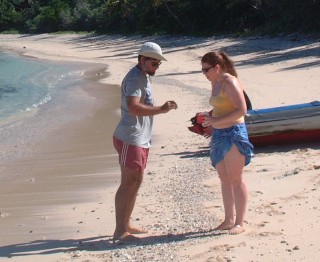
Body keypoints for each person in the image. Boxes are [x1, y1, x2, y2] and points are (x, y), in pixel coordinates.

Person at [112, 42, 178, 243]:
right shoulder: (134, 79)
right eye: (154, 63)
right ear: (142, 60)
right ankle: (119, 231)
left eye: (158, 63)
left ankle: (126, 224)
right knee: (128, 182)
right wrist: (161, 109)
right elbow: (133, 107)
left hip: (140, 138)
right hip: (130, 137)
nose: (157, 67)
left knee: (136, 180)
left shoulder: (143, 77)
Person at [199, 51, 254, 235]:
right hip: (219, 133)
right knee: (224, 179)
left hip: (234, 133)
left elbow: (242, 109)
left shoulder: (229, 81)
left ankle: (240, 222)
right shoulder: (215, 81)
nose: (204, 74)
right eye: (202, 70)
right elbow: (221, 106)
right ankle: (228, 219)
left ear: (217, 67)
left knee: (236, 178)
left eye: (206, 70)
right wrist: (209, 117)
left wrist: (215, 121)